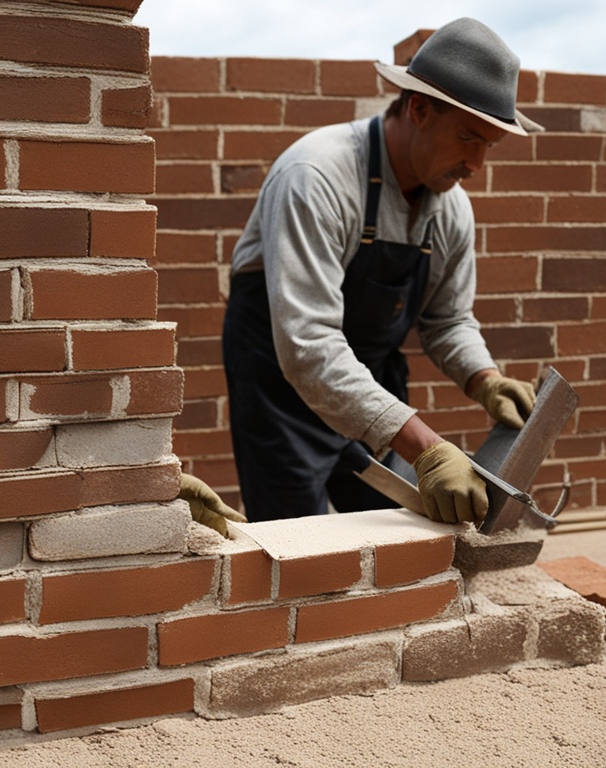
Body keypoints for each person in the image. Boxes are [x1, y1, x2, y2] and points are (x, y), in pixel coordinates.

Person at [222, 18, 542, 525]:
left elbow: (448, 320)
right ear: (418, 107)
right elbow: (308, 345)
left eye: (489, 145)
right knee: (295, 542)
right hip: (281, 388)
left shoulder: (450, 209)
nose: (476, 164)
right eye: (467, 137)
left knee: (395, 530)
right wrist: (428, 449)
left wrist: (485, 380)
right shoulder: (317, 176)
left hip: (369, 380)